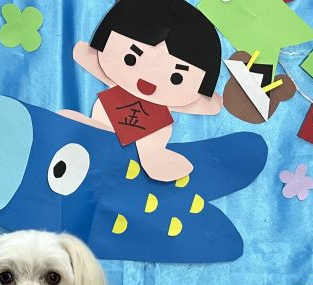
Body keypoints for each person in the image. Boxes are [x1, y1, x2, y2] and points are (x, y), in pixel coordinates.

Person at [59, 0, 223, 182]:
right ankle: (97, 128)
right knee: (100, 126)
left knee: (151, 145)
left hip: (152, 131)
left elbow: (207, 103)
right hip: (104, 123)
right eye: (130, 58)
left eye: (176, 78)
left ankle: (153, 156)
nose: (148, 84)